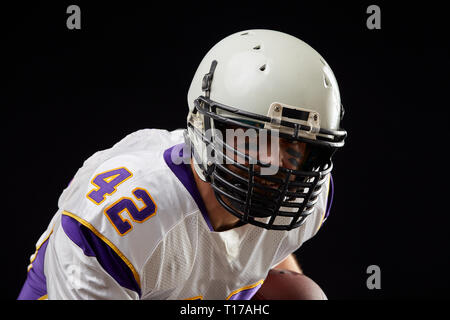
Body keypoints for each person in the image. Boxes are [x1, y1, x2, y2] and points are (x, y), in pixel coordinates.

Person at [17, 29, 346, 300]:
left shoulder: (308, 193)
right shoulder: (124, 218)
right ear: (205, 126)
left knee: (299, 296)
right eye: (254, 138)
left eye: (295, 145)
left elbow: (260, 250)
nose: (276, 162)